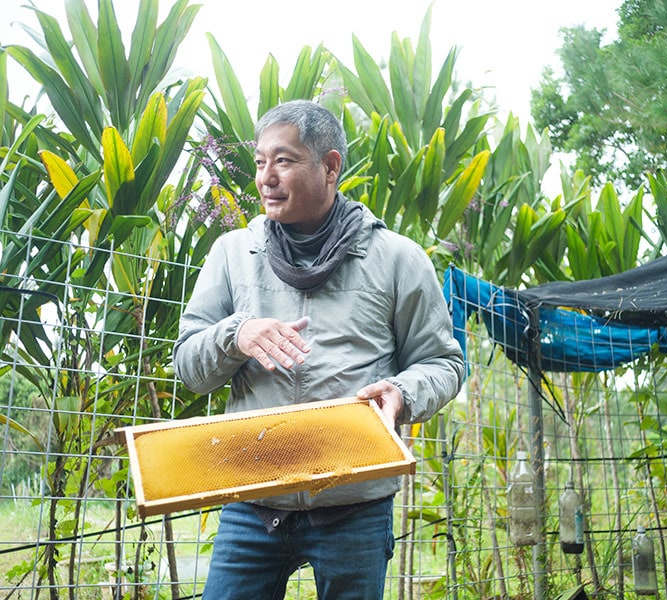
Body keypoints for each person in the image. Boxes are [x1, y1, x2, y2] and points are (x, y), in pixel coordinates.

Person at [172, 99, 465, 599]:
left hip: (355, 503)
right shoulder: (231, 254)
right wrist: (235, 335)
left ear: (330, 167)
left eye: (283, 160)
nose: (266, 177)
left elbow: (444, 362)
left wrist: (401, 393)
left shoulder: (396, 258)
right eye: (261, 161)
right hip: (253, 500)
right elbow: (189, 367)